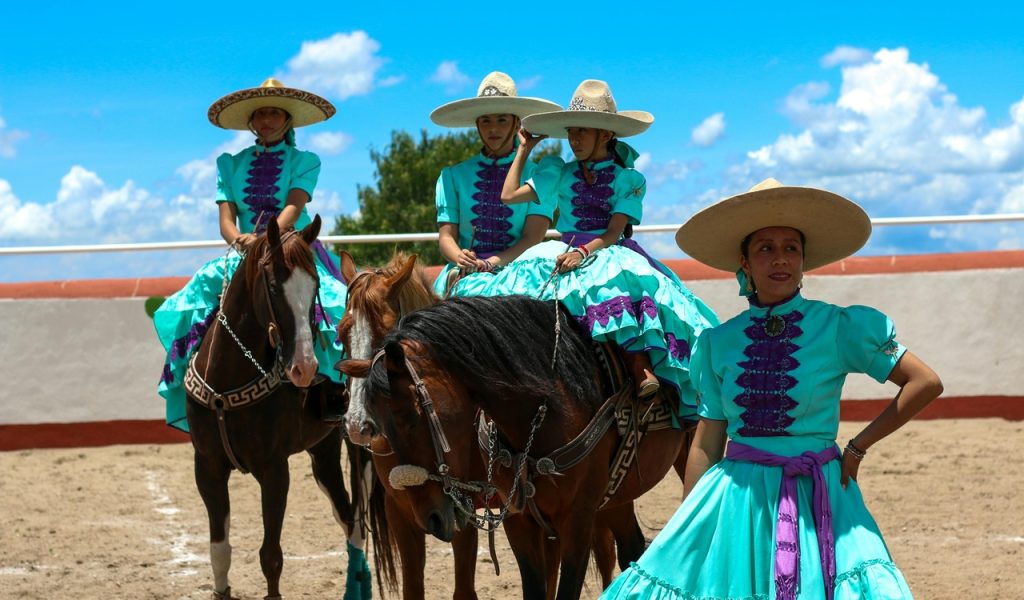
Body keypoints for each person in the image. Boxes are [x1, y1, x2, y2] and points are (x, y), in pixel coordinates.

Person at [601, 178, 944, 599]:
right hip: (738, 500)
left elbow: (924, 382)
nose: (779, 259)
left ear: (803, 260)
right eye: (765, 248)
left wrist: (856, 448)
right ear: (744, 261)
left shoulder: (838, 327)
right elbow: (708, 440)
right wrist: (692, 514)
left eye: (791, 248)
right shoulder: (718, 342)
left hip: (820, 492)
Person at [471, 79, 718, 405]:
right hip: (561, 247)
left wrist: (582, 253)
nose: (574, 139)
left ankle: (638, 364)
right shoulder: (558, 170)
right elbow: (509, 195)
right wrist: (524, 150)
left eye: (582, 131)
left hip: (605, 249)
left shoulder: (627, 179)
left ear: (605, 134)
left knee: (615, 283)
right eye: (571, 131)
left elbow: (614, 231)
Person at [154, 78, 348, 431]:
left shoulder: (305, 160)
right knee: (191, 300)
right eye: (260, 114)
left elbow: (293, 207)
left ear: (287, 120)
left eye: (274, 113)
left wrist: (269, 238)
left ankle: (333, 389)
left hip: (293, 248)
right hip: (243, 252)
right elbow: (226, 222)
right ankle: (187, 376)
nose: (267, 120)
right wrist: (242, 241)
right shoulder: (229, 164)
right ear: (251, 121)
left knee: (336, 304)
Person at [429, 71, 561, 296]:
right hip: (464, 274)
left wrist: (492, 263)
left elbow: (532, 238)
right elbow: (446, 237)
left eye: (501, 120)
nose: (493, 129)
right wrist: (458, 256)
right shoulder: (452, 176)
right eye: (486, 121)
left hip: (519, 270)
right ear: (477, 124)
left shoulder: (538, 175)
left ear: (516, 123)